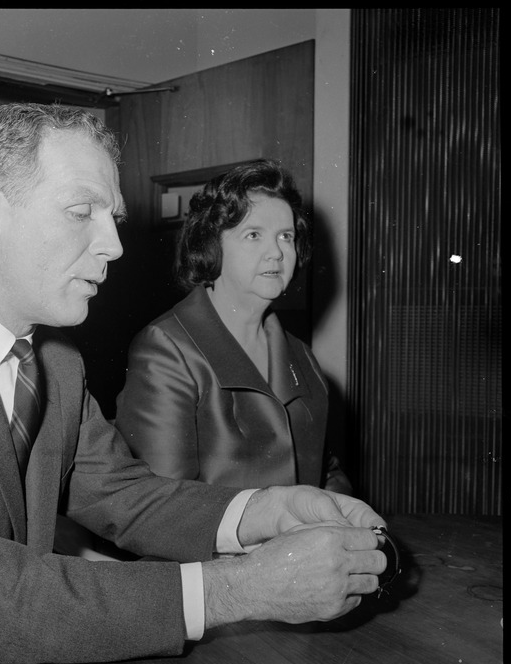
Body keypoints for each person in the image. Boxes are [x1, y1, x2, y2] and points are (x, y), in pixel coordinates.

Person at [0, 103, 385, 664]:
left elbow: (123, 495)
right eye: (83, 211)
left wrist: (266, 510)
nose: (114, 245)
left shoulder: (55, 359)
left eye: (113, 217)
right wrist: (241, 588)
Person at [115, 159, 353, 494]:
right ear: (211, 245)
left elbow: (325, 472)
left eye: (286, 236)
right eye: (253, 234)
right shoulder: (166, 349)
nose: (277, 252)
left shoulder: (302, 356)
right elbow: (160, 506)